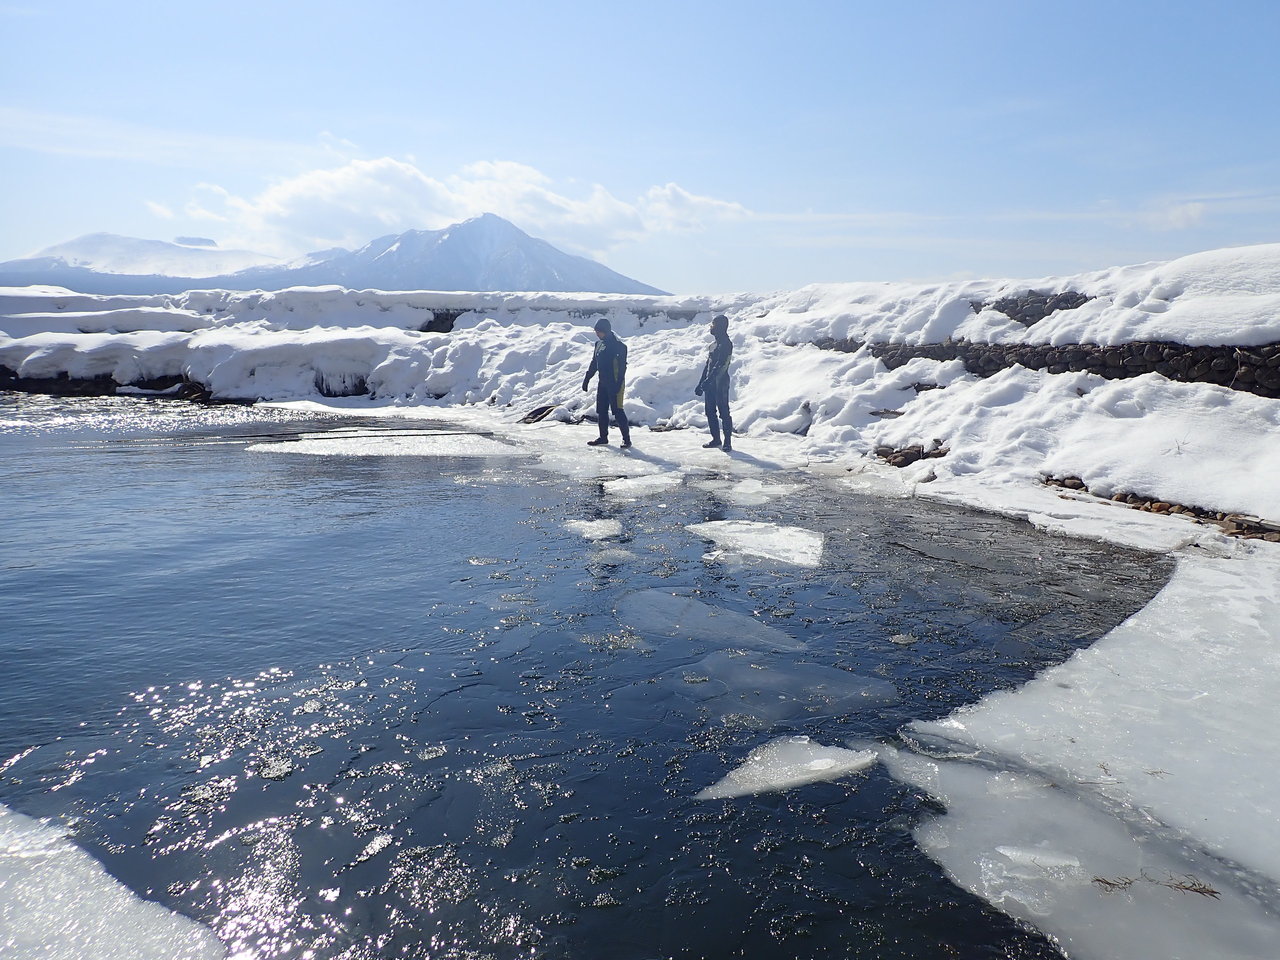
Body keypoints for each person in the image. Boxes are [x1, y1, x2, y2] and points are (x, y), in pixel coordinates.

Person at [582, 317, 631, 448]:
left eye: (599, 331)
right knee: (602, 411)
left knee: (618, 410)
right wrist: (587, 378)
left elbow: (622, 367)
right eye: (596, 331)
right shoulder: (598, 345)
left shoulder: (619, 346)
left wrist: (618, 383)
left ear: (606, 331)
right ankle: (603, 438)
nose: (597, 333)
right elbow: (594, 363)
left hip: (615, 383)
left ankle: (626, 439)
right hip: (603, 382)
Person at [694, 314, 733, 451]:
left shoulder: (726, 344)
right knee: (710, 412)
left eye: (714, 324)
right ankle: (716, 439)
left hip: (720, 383)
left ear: (721, 327)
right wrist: (701, 383)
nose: (711, 327)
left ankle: (727, 441)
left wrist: (708, 380)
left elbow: (720, 365)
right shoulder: (713, 345)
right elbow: (708, 365)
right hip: (710, 383)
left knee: (724, 412)